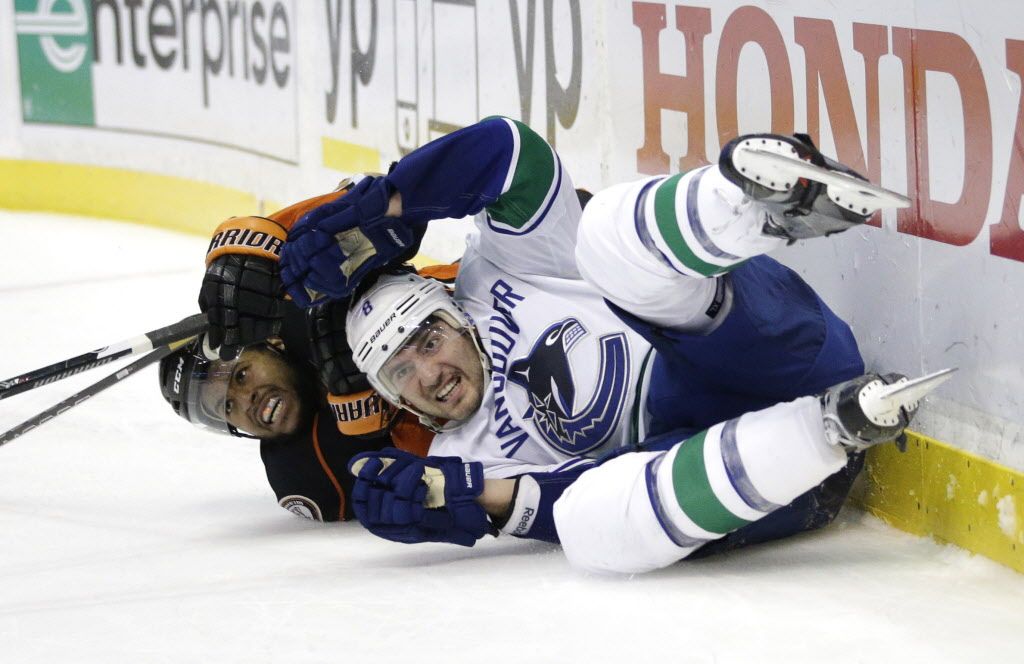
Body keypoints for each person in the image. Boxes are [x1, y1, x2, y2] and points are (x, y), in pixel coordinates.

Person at [278, 118, 940, 573]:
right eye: (401, 371)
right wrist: (481, 500)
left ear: (457, 314)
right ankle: (830, 430)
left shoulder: (500, 269)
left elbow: (513, 153)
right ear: (398, 401)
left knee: (600, 238)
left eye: (426, 338)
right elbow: (562, 502)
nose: (429, 371)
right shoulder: (454, 460)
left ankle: (759, 205)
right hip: (774, 478)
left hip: (770, 345)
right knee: (588, 526)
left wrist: (397, 201)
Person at [158, 184, 440, 522]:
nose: (247, 400)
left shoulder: (307, 304)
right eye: (227, 406)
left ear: (273, 344)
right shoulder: (305, 473)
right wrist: (377, 409)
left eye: (241, 375)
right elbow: (443, 483)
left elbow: (383, 199)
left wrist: (253, 249)